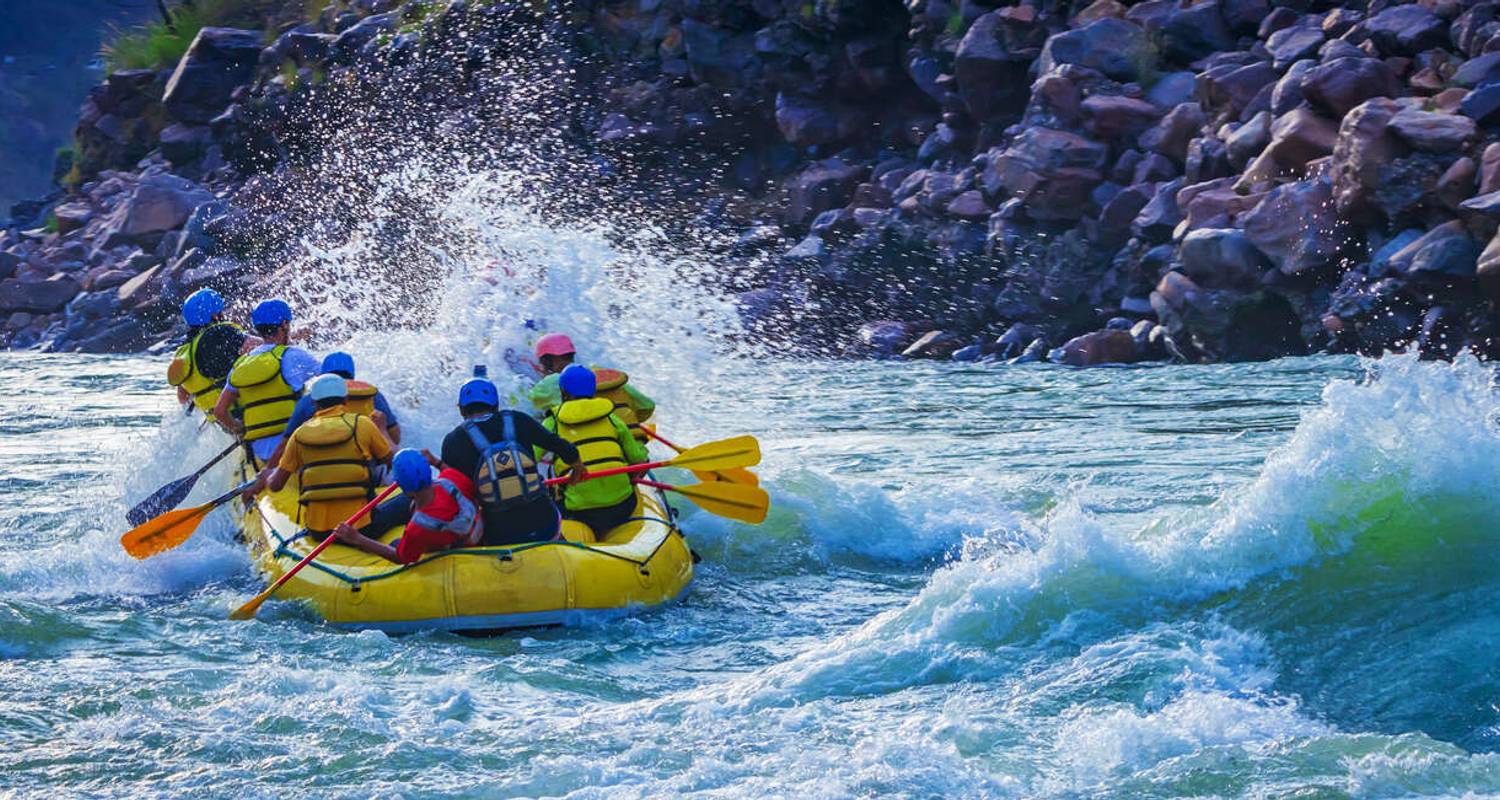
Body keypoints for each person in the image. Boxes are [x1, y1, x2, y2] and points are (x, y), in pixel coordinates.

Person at [439, 367, 587, 545]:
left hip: (500, 535)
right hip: (545, 524)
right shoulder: (518, 420)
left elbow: (457, 496)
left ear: (462, 410)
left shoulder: (452, 441)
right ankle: (563, 548)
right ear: (496, 405)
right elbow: (561, 446)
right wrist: (578, 467)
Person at [247, 351, 402, 496]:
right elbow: (394, 437)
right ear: (345, 399)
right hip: (366, 476)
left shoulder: (303, 419)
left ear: (315, 403)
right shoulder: (371, 398)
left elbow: (283, 447)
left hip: (316, 483)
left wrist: (268, 472)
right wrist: (378, 435)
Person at [262, 374, 394, 539]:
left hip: (319, 532)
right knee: (404, 501)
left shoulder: (298, 434)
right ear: (346, 400)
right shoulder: (363, 424)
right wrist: (382, 430)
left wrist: (268, 476)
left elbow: (275, 485)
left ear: (315, 404)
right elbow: (393, 463)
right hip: (362, 526)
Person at [543, 364, 651, 537]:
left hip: (580, 513)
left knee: (551, 471)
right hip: (622, 506)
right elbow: (638, 459)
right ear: (593, 392)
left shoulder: (552, 422)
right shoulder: (611, 417)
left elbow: (528, 458)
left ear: (563, 393)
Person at [212, 299, 320, 467]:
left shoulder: (242, 364)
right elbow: (336, 379)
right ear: (284, 324)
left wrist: (239, 428)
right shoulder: (294, 356)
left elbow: (219, 411)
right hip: (294, 447)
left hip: (259, 454)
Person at [333, 449, 482, 564]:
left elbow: (401, 557)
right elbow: (460, 481)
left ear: (403, 487)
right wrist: (436, 461)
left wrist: (357, 538)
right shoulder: (451, 478)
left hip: (451, 549)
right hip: (476, 536)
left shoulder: (419, 526)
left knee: (395, 544)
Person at [527, 333, 656, 439]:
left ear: (548, 361)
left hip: (585, 450)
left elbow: (529, 406)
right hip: (629, 444)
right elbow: (647, 405)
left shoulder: (549, 384)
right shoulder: (605, 374)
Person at [166, 289, 259, 415]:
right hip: (246, 411)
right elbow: (264, 344)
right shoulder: (221, 333)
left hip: (221, 422)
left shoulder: (185, 351)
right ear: (214, 315)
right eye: (220, 311)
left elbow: (183, 397)